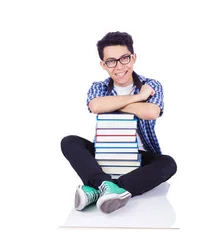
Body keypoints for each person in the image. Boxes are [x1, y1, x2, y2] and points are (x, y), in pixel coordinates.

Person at [60, 31, 177, 214]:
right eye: (111, 61)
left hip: (139, 158)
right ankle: (105, 185)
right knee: (69, 141)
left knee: (168, 164)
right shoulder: (98, 87)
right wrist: (138, 97)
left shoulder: (151, 84)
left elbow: (150, 112)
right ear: (103, 65)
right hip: (105, 153)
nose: (119, 66)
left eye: (124, 58)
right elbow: (96, 105)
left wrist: (111, 105)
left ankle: (104, 189)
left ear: (133, 58)